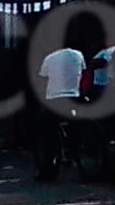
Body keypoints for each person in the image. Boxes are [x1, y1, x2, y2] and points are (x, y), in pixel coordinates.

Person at [36, 42, 86, 181]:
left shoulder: (49, 58)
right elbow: (82, 74)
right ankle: (74, 147)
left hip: (55, 99)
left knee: (48, 132)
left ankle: (48, 169)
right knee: (75, 123)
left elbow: (42, 81)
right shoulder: (78, 55)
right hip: (74, 97)